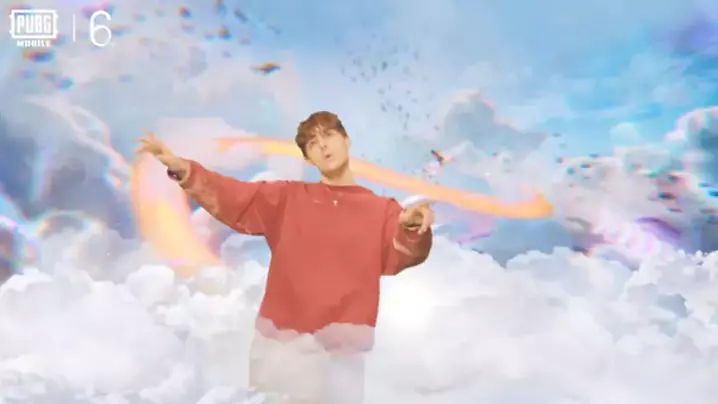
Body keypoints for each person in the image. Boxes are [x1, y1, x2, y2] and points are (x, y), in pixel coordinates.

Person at [135, 111, 434, 403]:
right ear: (308, 158)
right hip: (280, 349)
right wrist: (186, 171)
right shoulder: (287, 198)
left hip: (341, 355)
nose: (323, 145)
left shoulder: (382, 211)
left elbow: (402, 254)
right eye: (313, 143)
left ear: (346, 140)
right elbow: (232, 195)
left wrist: (412, 228)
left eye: (329, 135)